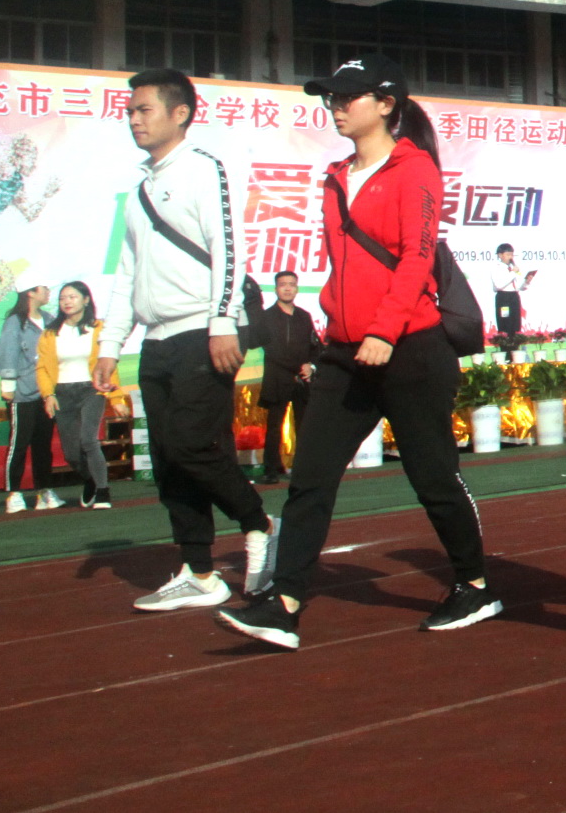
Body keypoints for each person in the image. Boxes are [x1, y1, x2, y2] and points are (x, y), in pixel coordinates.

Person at [218, 54, 499, 650]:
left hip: (410, 347)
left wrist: (384, 330)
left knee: (433, 477)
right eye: (331, 98)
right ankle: (286, 602)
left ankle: (474, 584)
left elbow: (418, 257)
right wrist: (337, 328)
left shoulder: (415, 169)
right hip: (344, 353)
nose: (336, 107)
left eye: (348, 97)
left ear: (386, 104)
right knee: (310, 479)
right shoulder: (334, 177)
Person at [118, 70, 277, 611]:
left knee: (191, 444)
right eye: (131, 110)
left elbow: (228, 250)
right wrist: (111, 343)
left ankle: (258, 523)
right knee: (167, 459)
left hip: (199, 334)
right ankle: (201, 572)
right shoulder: (139, 189)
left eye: (144, 109)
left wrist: (221, 322)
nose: (134, 118)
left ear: (180, 113)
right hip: (156, 341)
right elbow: (126, 273)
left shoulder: (204, 170)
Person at [38, 281, 118, 510]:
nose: (67, 302)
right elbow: (42, 368)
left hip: (91, 389)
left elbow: (110, 364)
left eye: (72, 297)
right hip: (63, 392)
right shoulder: (51, 333)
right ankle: (90, 479)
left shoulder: (98, 328)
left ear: (85, 299)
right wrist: (48, 395)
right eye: (63, 298)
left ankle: (103, 490)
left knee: (88, 440)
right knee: (71, 453)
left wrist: (117, 397)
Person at [250, 271, 319, 485]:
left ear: (297, 288)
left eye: (292, 284)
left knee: (304, 426)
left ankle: (305, 469)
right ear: (275, 288)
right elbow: (271, 349)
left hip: (302, 381)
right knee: (274, 426)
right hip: (278, 379)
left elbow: (315, 346)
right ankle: (271, 469)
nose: (288, 288)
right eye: (283, 284)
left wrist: (311, 366)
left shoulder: (304, 316)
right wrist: (297, 366)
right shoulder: (266, 317)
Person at [0, 280, 53, 511]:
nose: (48, 292)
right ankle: (13, 493)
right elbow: (8, 353)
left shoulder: (49, 320)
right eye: (44, 287)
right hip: (22, 393)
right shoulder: (15, 322)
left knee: (43, 445)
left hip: (46, 393)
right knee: (19, 443)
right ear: (31, 292)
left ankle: (43, 491)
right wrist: (7, 384)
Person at [490, 244, 536, 353]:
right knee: (505, 324)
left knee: (515, 324)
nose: (511, 257)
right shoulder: (496, 268)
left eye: (512, 254)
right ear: (500, 255)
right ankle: (506, 353)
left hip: (514, 297)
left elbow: (519, 287)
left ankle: (515, 352)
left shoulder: (512, 268)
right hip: (503, 298)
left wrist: (526, 281)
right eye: (508, 254)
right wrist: (513, 272)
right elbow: (499, 285)